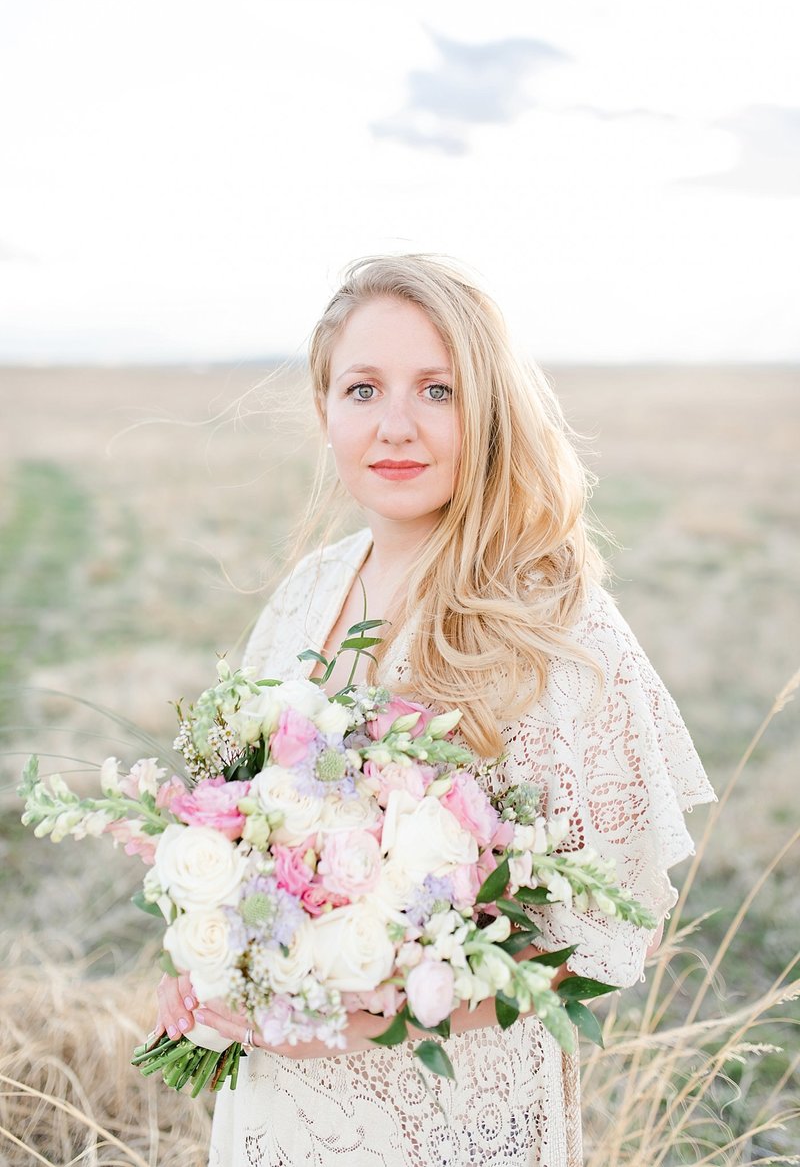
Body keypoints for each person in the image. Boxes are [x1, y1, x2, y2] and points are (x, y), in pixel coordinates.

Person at [156, 254, 716, 1166]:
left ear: (487, 408)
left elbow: (600, 941)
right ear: (324, 410)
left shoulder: (551, 622)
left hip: (449, 1116)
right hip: (279, 1110)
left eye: (438, 390)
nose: (397, 427)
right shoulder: (307, 594)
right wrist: (203, 965)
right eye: (364, 389)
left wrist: (388, 1018)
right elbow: (234, 832)